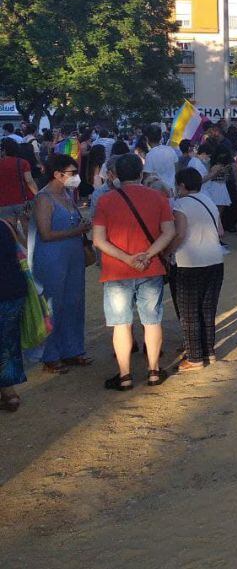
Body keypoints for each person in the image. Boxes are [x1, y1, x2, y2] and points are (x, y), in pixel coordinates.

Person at [92, 153, 176, 390]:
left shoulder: (106, 201)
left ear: (116, 174)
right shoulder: (158, 197)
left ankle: (125, 375)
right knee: (152, 321)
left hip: (117, 270)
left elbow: (98, 240)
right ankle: (153, 371)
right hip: (150, 267)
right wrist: (148, 255)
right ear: (141, 174)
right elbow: (168, 232)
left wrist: (127, 258)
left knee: (121, 323)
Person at [32, 154, 93, 374]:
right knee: (52, 306)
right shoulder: (43, 199)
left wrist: (80, 228)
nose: (75, 177)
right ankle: (51, 355)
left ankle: (73, 349)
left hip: (73, 255)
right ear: (57, 174)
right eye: (72, 173)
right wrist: (77, 231)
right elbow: (45, 234)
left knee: (74, 302)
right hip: (51, 258)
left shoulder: (67, 194)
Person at [169, 168, 225, 371]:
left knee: (189, 310)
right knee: (207, 308)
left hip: (189, 262)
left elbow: (180, 233)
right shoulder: (208, 200)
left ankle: (194, 356)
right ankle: (208, 350)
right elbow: (220, 231)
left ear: (182, 185)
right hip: (215, 258)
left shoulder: (181, 204)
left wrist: (168, 251)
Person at [0, 217, 28, 411]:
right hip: (12, 290)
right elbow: (22, 251)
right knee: (8, 343)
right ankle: (9, 393)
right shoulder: (5, 224)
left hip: (9, 290)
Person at [0, 137, 37, 225]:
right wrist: (38, 195)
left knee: (11, 230)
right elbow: (29, 181)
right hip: (23, 200)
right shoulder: (23, 163)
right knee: (27, 228)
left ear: (4, 150)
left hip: (4, 202)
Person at [142, 124, 178, 196]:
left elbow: (147, 179)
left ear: (147, 138)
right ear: (161, 136)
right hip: (172, 192)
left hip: (158, 194)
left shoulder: (150, 155)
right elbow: (177, 170)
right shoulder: (171, 150)